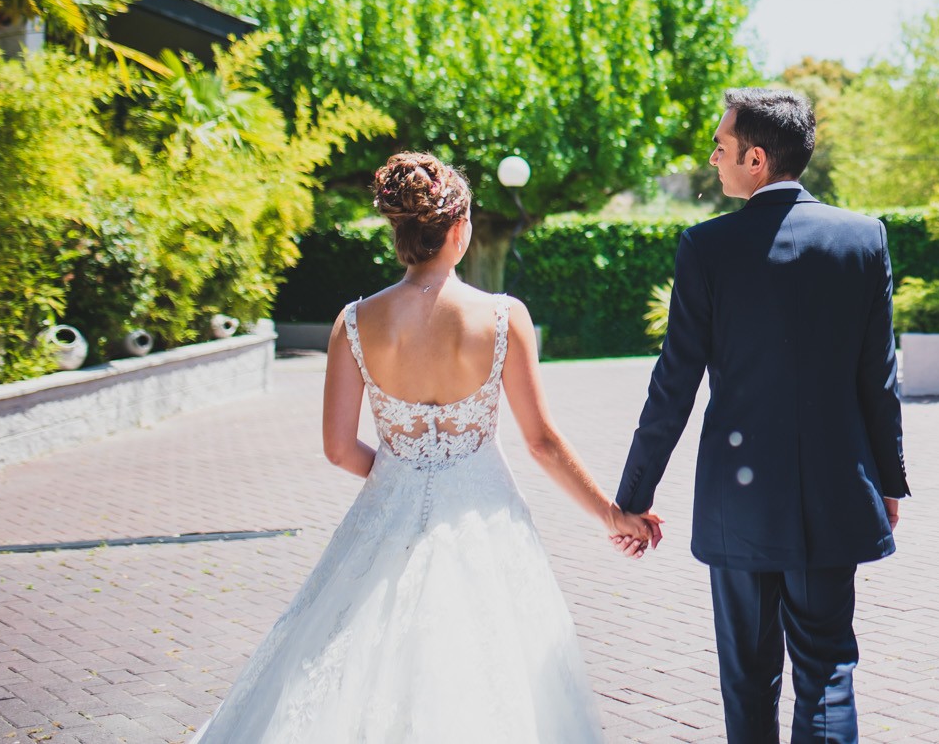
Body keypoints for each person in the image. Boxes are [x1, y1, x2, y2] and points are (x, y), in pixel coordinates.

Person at [200, 151, 656, 743]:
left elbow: (338, 449)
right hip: (486, 519)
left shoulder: (354, 322)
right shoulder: (502, 317)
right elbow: (541, 442)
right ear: (460, 228)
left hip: (386, 515)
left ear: (400, 231)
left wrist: (400, 475)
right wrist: (610, 513)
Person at [615, 87, 910, 744]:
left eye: (721, 147)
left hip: (740, 503)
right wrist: (888, 479)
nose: (713, 158)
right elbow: (879, 378)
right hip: (837, 492)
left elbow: (674, 385)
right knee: (828, 673)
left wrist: (632, 498)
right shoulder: (863, 238)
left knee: (748, 680)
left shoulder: (707, 246)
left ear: (754, 157)